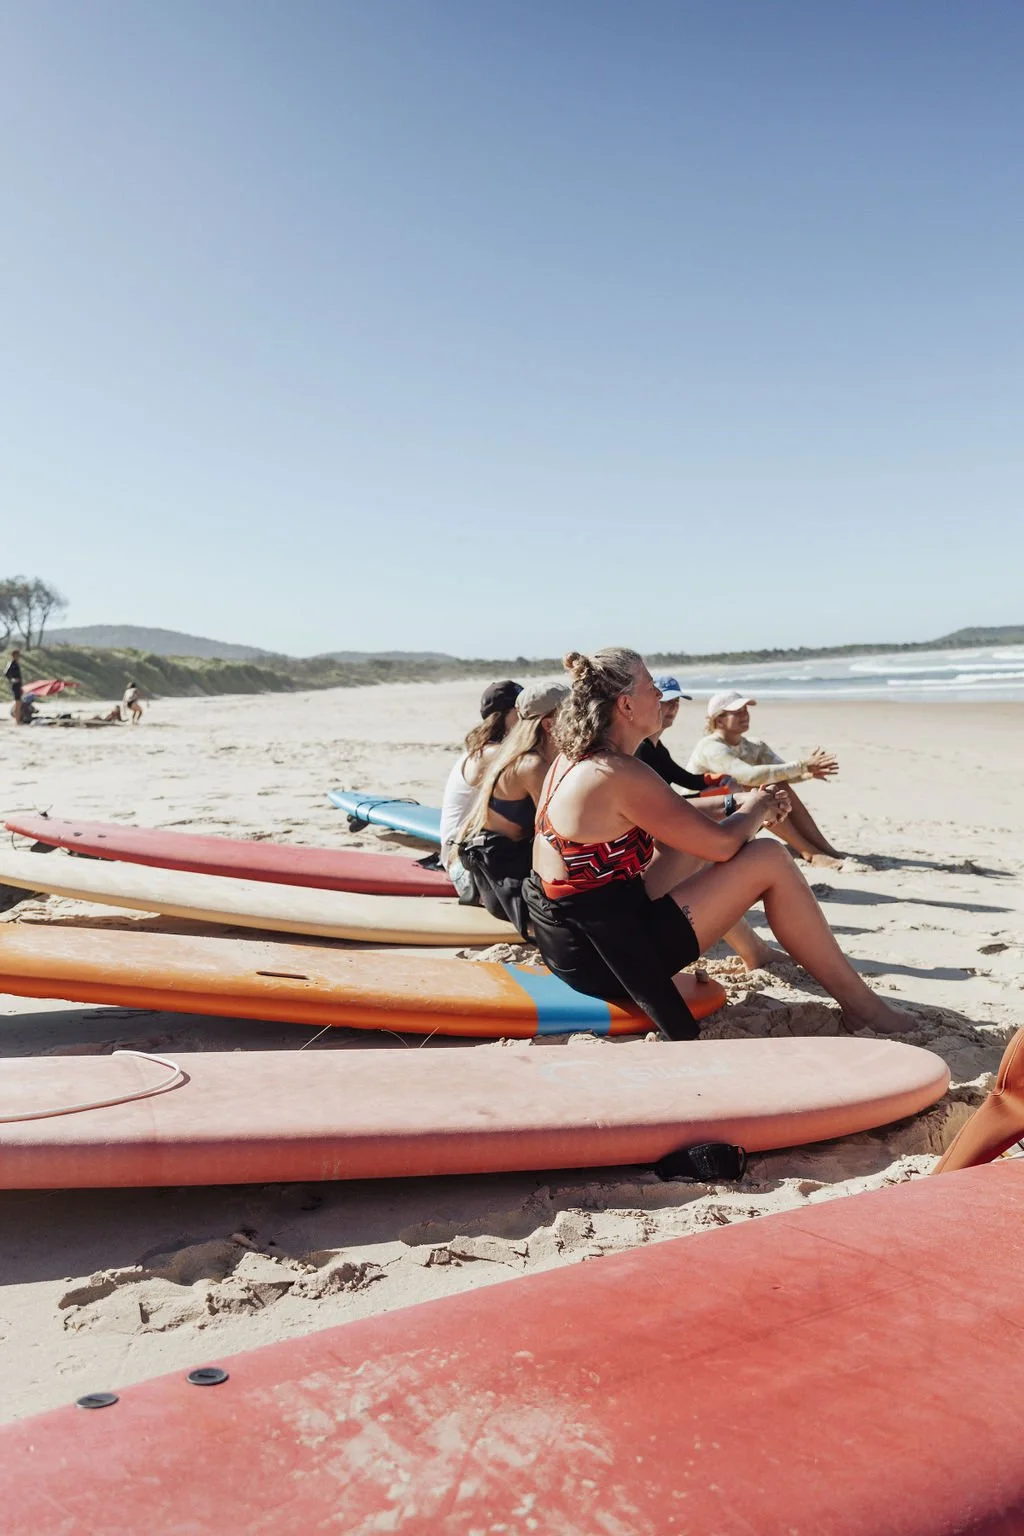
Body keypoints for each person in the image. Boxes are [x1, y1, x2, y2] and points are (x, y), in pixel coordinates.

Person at [522, 648, 912, 1042]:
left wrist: (736, 803)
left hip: (576, 935)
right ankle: (865, 1010)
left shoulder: (578, 759)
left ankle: (756, 951)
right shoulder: (617, 773)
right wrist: (757, 808)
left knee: (700, 842)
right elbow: (724, 846)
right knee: (768, 858)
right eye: (652, 687)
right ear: (625, 704)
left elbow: (673, 812)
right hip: (603, 958)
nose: (660, 695)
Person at [455, 680, 569, 935]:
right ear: (549, 724)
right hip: (502, 874)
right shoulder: (532, 765)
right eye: (573, 716)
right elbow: (559, 832)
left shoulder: (532, 756)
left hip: (504, 863)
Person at [686, 690, 844, 865]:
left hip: (734, 812)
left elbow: (782, 773)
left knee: (777, 785)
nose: (744, 716)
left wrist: (808, 772)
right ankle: (809, 852)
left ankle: (824, 848)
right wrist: (803, 765)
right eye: (737, 712)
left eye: (745, 711)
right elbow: (748, 775)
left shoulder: (754, 745)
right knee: (755, 789)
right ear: (719, 719)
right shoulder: (710, 747)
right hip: (702, 818)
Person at [440, 680, 522, 899]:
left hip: (473, 855)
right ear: (504, 714)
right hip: (466, 867)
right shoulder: (491, 755)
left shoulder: (485, 750)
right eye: (519, 710)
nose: (526, 718)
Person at [636, 675, 733, 794]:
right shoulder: (640, 749)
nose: (674, 707)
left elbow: (686, 779)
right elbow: (660, 801)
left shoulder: (659, 749)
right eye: (667, 701)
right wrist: (708, 796)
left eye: (676, 701)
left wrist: (718, 778)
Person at [5, 648, 23, 724]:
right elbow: (6, 673)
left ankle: (17, 720)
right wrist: (12, 679)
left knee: (18, 703)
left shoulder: (16, 663)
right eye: (17, 655)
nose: (18, 657)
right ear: (13, 655)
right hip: (15, 686)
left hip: (18, 685)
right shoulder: (12, 663)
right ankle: (17, 721)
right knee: (18, 703)